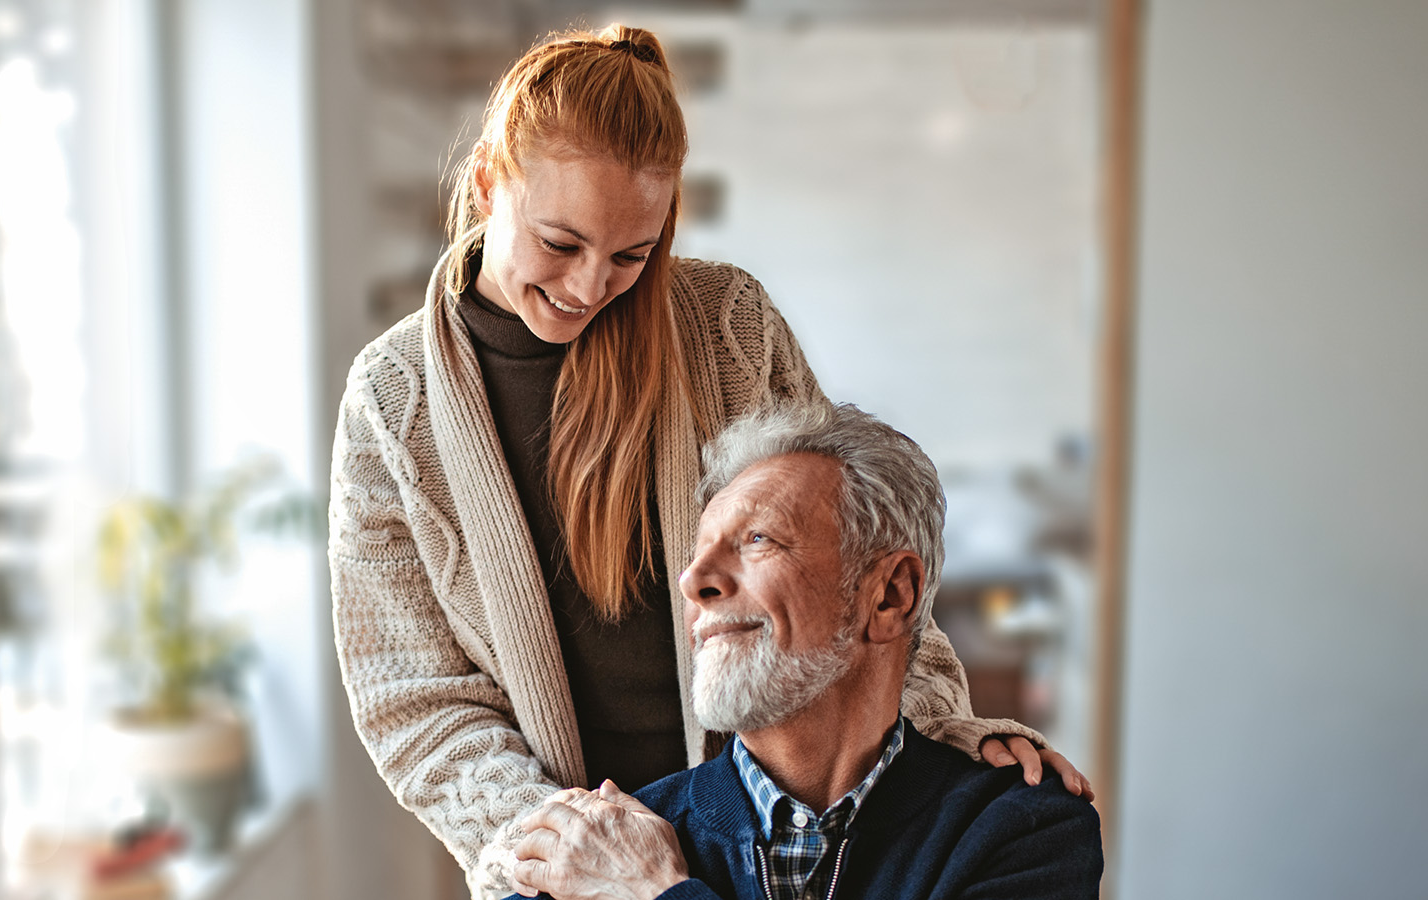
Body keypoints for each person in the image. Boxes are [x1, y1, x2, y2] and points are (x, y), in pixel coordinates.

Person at [328, 24, 1089, 898]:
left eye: (631, 255)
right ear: (490, 181)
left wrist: (939, 730)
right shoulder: (390, 405)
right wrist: (574, 847)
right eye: (561, 245)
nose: (588, 288)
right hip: (569, 866)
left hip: (781, 829)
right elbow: (411, 698)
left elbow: (843, 542)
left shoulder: (726, 324)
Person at [508, 403, 1103, 900]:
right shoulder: (599, 847)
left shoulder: (1021, 829)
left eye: (757, 540)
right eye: (697, 554)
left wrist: (659, 894)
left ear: (890, 596)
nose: (694, 582)